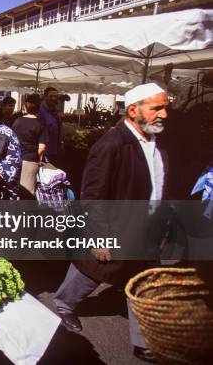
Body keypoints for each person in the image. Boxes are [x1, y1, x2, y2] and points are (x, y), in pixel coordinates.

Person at [53, 83, 170, 363]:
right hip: (115, 228)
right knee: (92, 272)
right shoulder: (111, 144)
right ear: (133, 110)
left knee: (142, 282)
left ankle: (144, 342)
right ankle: (62, 304)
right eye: (157, 108)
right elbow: (92, 194)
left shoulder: (156, 143)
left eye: (166, 107)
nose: (164, 114)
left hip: (145, 231)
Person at [12, 94, 48, 198]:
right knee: (27, 192)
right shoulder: (40, 124)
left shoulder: (17, 121)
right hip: (30, 160)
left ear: (26, 106)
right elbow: (42, 148)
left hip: (14, 158)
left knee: (14, 189)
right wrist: (38, 158)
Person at [39, 87, 62, 165]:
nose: (53, 98)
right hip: (44, 151)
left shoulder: (54, 110)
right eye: (51, 96)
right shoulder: (40, 111)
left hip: (53, 149)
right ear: (45, 96)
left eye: (55, 96)